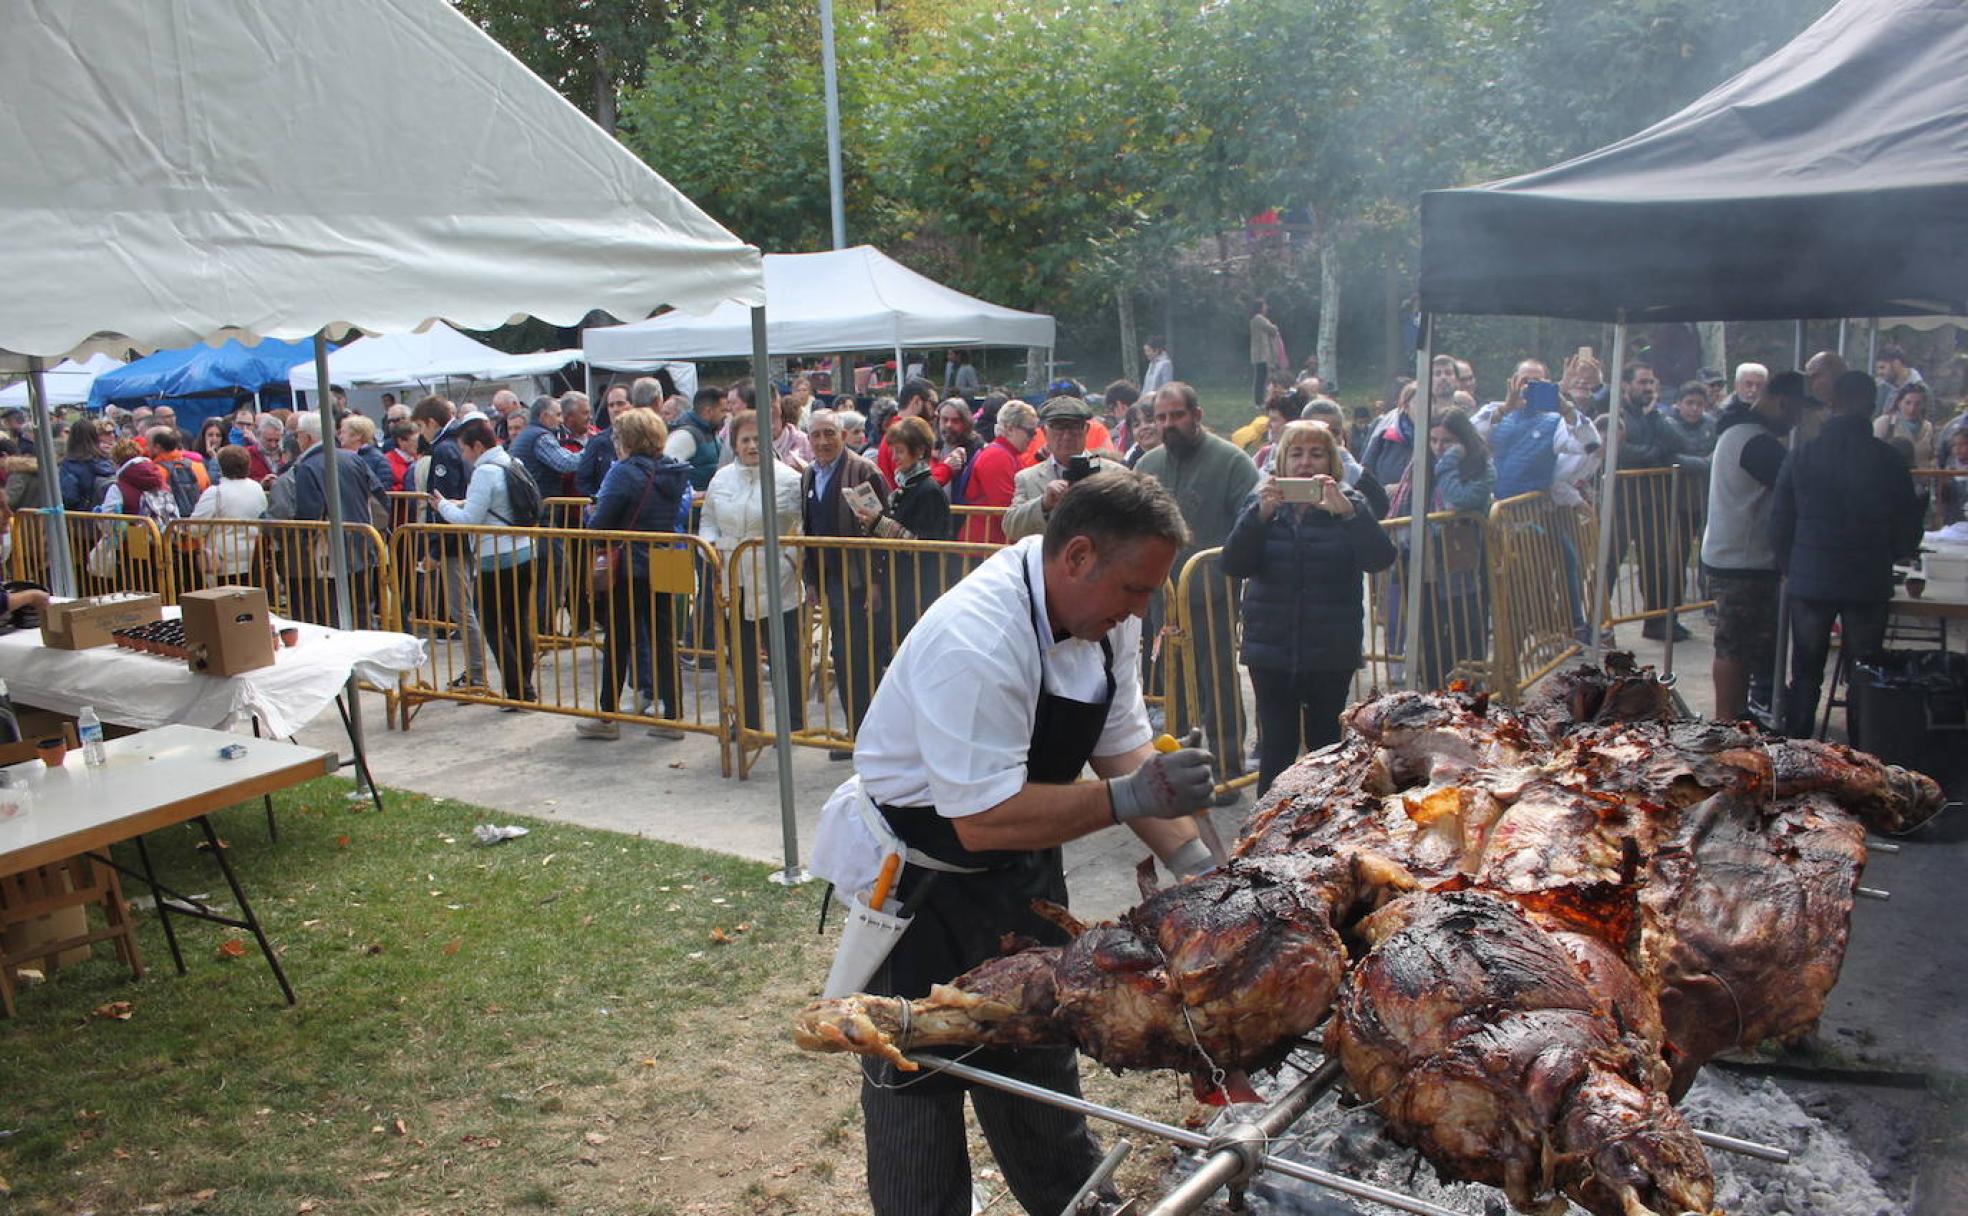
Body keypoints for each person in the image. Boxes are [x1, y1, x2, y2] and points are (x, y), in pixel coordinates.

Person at [834, 470, 1215, 1216]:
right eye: (1136, 589)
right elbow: (983, 817)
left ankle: (1071, 1201)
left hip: (1021, 873)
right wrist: (1124, 799)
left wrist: (1199, 868)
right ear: (1076, 557)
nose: (1143, 608)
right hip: (923, 888)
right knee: (916, 1078)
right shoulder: (977, 639)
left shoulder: (1111, 620)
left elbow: (1122, 745)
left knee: (1040, 1058)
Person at [1224, 421, 1396, 793]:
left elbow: (1380, 558)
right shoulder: (1261, 503)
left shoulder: (1350, 502)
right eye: (1296, 454)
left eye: (1316, 453)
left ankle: (1323, 828)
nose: (1305, 463)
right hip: (1270, 650)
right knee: (1276, 747)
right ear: (1281, 462)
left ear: (1331, 461)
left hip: (1330, 650)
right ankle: (1267, 830)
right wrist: (1259, 519)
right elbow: (1234, 564)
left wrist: (1349, 515)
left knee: (1326, 747)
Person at [1771, 371, 1925, 741]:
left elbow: (1778, 522)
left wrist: (1791, 566)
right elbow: (1908, 528)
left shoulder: (1801, 456)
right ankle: (1862, 752)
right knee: (1864, 671)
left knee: (1806, 672)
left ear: (1832, 404)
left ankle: (1796, 748)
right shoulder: (1889, 461)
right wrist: (1890, 554)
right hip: (1867, 577)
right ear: (1873, 406)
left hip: (1810, 576)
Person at [1138, 382, 1259, 797]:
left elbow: (1253, 522)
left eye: (1176, 415)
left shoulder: (1233, 462)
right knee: (1173, 687)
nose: (1168, 424)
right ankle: (1179, 775)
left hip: (1215, 596)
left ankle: (1226, 773)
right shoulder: (1149, 464)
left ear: (1197, 415)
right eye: (1161, 417)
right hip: (1161, 599)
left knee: (1218, 684)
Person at [576, 409, 690, 741]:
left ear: (627, 439)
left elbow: (599, 525)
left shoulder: (623, 473)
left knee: (619, 638)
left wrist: (590, 510)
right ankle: (673, 715)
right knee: (665, 640)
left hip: (631, 565)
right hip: (666, 557)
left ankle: (608, 715)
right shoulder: (674, 470)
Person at [1701, 370, 1803, 723]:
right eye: (1796, 413)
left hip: (1740, 556)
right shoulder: (1754, 441)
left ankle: (1737, 713)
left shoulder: (1746, 434)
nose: (1796, 422)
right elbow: (1799, 486)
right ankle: (1726, 719)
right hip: (1740, 561)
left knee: (1742, 646)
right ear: (1781, 402)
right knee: (1733, 645)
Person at [701, 409, 805, 737]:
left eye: (758, 438)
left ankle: (793, 725)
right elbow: (708, 521)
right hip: (735, 580)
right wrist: (711, 548)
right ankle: (748, 722)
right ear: (734, 443)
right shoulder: (720, 480)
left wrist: (789, 564)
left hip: (776, 581)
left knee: (783, 657)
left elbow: (799, 529)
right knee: (742, 656)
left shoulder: (789, 479)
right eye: (745, 439)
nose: (751, 445)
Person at [431, 417, 540, 704]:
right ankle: (524, 687)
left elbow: (468, 521)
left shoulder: (484, 473)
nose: (463, 456)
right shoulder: (512, 462)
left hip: (497, 556)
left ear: (477, 446)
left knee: (492, 624)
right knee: (517, 623)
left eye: (465, 449)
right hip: (525, 550)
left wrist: (442, 505)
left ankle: (518, 689)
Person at [803, 409, 892, 750]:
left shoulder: (863, 471)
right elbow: (809, 527)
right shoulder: (810, 474)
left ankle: (869, 736)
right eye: (816, 435)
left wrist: (875, 581)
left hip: (859, 581)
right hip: (829, 580)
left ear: (842, 435)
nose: (823, 441)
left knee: (859, 658)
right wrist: (811, 579)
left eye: (830, 433)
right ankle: (856, 731)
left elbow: (880, 530)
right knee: (842, 657)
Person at [1389, 407, 1495, 691]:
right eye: (1433, 441)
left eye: (1446, 441)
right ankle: (1434, 688)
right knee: (1428, 631)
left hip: (1463, 559)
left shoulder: (1479, 464)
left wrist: (1448, 463)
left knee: (1465, 629)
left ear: (1462, 440)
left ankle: (1467, 692)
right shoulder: (1418, 464)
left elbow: (1458, 499)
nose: (1438, 447)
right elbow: (1404, 507)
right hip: (1423, 562)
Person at [1603, 363, 1693, 642]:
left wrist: (1655, 415)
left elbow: (1681, 443)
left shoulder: (1653, 415)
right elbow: (1619, 452)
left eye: (1651, 383)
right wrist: (1655, 452)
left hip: (1652, 503)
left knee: (1656, 563)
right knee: (1608, 565)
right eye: (1642, 382)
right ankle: (1599, 623)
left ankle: (1656, 622)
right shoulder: (1613, 412)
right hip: (1619, 504)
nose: (1648, 388)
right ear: (1626, 385)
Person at [849, 415, 953, 640]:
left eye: (900, 452)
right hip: (901, 581)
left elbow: (924, 544)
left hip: (918, 587)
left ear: (920, 451)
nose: (894, 458)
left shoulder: (929, 491)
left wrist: (879, 523)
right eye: (892, 451)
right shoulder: (908, 486)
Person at [291, 412, 387, 628]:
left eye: (298, 435)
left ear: (306, 437)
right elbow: (379, 496)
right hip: (362, 542)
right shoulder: (352, 458)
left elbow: (308, 514)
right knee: (363, 608)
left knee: (335, 611)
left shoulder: (307, 467)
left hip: (330, 551)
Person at [1004, 397, 1113, 542]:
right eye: (1058, 427)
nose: (1066, 436)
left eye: (1074, 427)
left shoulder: (1114, 473)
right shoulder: (1027, 478)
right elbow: (1011, 528)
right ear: (1044, 431)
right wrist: (1043, 504)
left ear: (1086, 429)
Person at [957, 399, 1035, 545]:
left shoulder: (1006, 454)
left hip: (989, 544)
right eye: (1030, 432)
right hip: (984, 546)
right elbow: (1005, 511)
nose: (1033, 438)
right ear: (1010, 429)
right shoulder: (998, 456)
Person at [188, 444, 268, 583]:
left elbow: (196, 528)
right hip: (253, 558)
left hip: (223, 561)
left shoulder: (215, 492)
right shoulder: (257, 488)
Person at [576, 383, 636, 497]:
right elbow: (582, 480)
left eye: (620, 404)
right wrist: (597, 501)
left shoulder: (645, 438)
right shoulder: (597, 442)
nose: (615, 409)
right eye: (611, 405)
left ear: (632, 405)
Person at [664, 385, 728, 492]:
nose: (726, 415)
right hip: (693, 507)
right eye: (723, 410)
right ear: (708, 411)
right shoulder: (685, 436)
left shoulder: (711, 431)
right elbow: (666, 471)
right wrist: (691, 494)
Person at [1874, 381, 1938, 468]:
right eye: (1908, 403)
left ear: (1923, 405)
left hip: (1921, 478)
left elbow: (1933, 456)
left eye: (1917, 404)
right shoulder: (1885, 423)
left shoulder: (1928, 427)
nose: (1912, 409)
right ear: (1899, 403)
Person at [59, 418, 114, 513]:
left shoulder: (70, 464)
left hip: (81, 518)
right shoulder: (107, 460)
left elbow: (69, 497)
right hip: (107, 516)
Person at [1873, 343, 1924, 416]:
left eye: (1882, 367)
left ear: (1896, 364)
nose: (1879, 373)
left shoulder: (1921, 389)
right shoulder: (1883, 387)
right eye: (1877, 369)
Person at [1249, 299, 1281, 407]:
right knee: (1260, 379)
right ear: (1260, 307)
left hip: (1260, 354)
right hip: (1260, 354)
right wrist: (1275, 327)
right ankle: (1259, 402)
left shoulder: (1257, 319)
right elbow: (1272, 329)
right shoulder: (1259, 318)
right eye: (1264, 305)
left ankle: (1260, 400)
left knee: (1261, 378)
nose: (1266, 307)